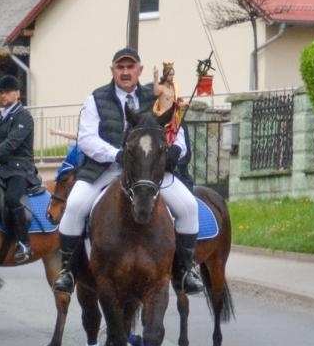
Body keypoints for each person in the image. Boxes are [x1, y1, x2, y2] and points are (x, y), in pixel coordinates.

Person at [51, 46, 203, 295]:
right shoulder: (96, 98)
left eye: (130, 67)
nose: (125, 72)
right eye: (120, 67)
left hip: (149, 171)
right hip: (105, 168)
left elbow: (177, 131)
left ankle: (186, 271)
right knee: (76, 205)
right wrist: (116, 155)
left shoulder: (157, 96)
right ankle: (67, 270)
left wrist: (176, 151)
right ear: (112, 70)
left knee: (188, 207)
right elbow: (87, 138)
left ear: (140, 70)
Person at [0, 76, 36, 265]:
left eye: (7, 91)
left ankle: (24, 243)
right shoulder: (2, 116)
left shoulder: (24, 116)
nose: (3, 95)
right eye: (1, 92)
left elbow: (11, 144)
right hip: (2, 169)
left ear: (17, 94)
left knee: (11, 199)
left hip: (21, 169)